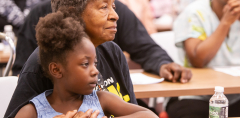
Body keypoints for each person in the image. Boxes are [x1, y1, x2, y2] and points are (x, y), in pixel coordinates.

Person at [5, 0, 192, 118]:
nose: (114, 15)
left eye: (114, 7)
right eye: (104, 7)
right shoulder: (44, 62)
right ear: (73, 14)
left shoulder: (112, 51)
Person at [15, 10, 158, 118]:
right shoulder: (33, 111)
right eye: (85, 64)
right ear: (56, 70)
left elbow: (150, 116)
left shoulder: (102, 100)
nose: (95, 71)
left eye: (94, 63)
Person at [169, 0, 240, 118]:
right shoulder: (195, 13)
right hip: (195, 95)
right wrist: (226, 23)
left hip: (235, 94)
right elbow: (197, 59)